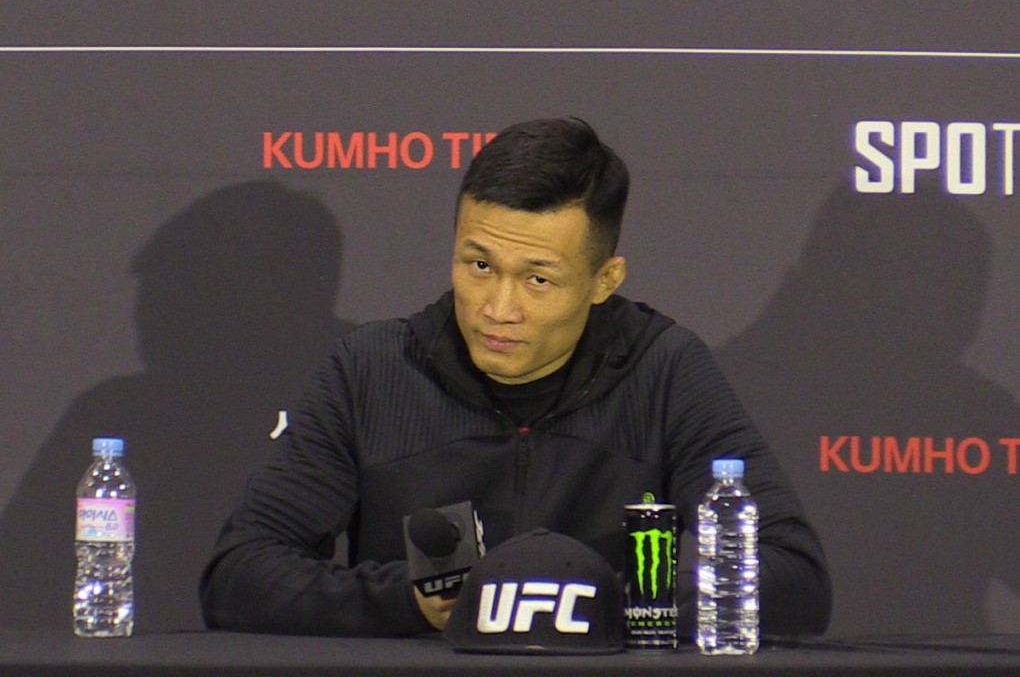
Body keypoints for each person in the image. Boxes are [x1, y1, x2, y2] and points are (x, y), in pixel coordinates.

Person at [200, 117, 832, 638]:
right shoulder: (372, 369)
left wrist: (582, 605)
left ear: (604, 282)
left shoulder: (663, 369)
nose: (497, 308)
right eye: (478, 264)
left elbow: (793, 580)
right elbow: (240, 575)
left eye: (538, 279)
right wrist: (415, 602)